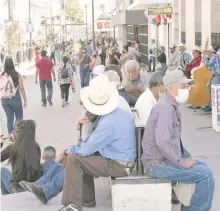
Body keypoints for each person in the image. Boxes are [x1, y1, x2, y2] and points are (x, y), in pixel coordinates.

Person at [19, 75, 136, 210]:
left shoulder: (109, 122)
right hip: (116, 157)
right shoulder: (116, 113)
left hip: (119, 164)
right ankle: (52, 189)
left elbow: (89, 148)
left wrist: (70, 150)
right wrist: (75, 148)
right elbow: (94, 141)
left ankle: (72, 204)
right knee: (76, 155)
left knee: (74, 158)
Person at [142, 70, 215, 211]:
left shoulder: (170, 106)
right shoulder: (166, 108)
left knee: (202, 167)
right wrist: (181, 162)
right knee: (206, 176)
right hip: (156, 165)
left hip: (163, 160)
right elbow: (163, 142)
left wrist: (185, 157)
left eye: (187, 87)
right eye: (183, 87)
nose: (187, 90)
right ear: (171, 88)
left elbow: (172, 141)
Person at [1, 120, 41, 195]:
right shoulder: (36, 146)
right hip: (32, 185)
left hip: (16, 187)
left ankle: (7, 196)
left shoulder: (13, 147)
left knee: (2, 171)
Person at [1, 58, 27, 135]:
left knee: (9, 119)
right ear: (13, 64)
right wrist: (25, 100)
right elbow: (21, 88)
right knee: (19, 117)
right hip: (15, 98)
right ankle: (16, 135)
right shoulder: (17, 75)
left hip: (4, 100)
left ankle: (10, 135)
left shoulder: (2, 76)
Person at [202, 46, 220, 112]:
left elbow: (208, 63)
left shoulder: (214, 56)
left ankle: (213, 107)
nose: (206, 53)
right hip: (212, 76)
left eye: (207, 51)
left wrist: (204, 59)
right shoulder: (209, 57)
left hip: (216, 75)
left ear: (211, 52)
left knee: (214, 91)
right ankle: (209, 105)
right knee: (208, 90)